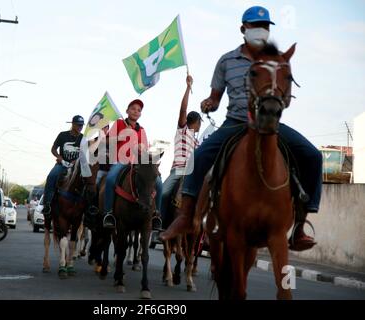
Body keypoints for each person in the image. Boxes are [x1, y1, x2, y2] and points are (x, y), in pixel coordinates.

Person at [161, 6, 322, 252]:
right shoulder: (226, 60)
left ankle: (300, 226)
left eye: (265, 27)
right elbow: (215, 99)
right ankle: (185, 216)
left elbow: (286, 97)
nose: (261, 31)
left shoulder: (277, 61)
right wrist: (208, 104)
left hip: (270, 124)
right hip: (235, 123)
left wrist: (276, 101)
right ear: (243, 29)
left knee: (313, 155)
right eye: (255, 27)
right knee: (198, 157)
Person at [102, 99, 162, 230]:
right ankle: (108, 213)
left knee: (158, 183)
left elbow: (145, 151)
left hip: (137, 163)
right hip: (121, 161)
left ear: (141, 114)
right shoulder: (119, 123)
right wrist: (119, 137)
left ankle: (156, 214)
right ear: (127, 111)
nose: (136, 111)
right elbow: (106, 141)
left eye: (139, 110)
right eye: (133, 109)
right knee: (111, 178)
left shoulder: (142, 130)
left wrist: (143, 149)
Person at [160, 74, 202, 230]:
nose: (199, 127)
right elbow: (183, 109)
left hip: (192, 173)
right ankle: (159, 221)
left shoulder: (197, 143)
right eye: (199, 124)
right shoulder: (182, 130)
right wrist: (188, 87)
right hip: (178, 170)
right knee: (163, 193)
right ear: (196, 122)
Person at [42, 115, 85, 215]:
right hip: (62, 164)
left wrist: (77, 160)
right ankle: (47, 204)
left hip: (77, 166)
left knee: (89, 179)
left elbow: (84, 153)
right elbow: (53, 149)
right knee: (51, 176)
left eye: (81, 125)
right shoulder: (62, 135)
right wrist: (59, 157)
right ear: (73, 124)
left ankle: (89, 208)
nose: (80, 127)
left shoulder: (83, 138)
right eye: (78, 125)